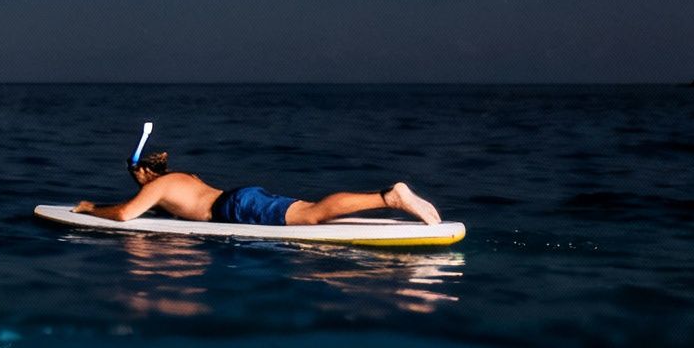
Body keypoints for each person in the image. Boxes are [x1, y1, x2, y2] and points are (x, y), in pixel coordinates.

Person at [72, 150, 443, 226]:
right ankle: (387, 198)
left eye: (133, 176)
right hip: (240, 198)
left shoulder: (159, 185)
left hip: (236, 208)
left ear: (142, 174)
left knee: (312, 215)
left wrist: (91, 209)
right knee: (309, 209)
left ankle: (389, 197)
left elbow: (124, 214)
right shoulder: (182, 179)